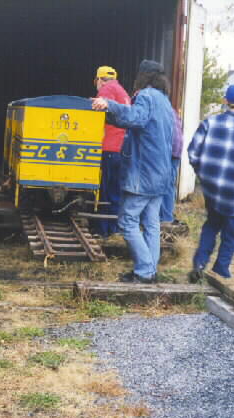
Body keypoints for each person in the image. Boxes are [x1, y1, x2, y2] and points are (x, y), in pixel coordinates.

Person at [91, 60, 175, 283]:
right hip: (161, 173)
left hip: (144, 172)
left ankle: (145, 270)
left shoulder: (146, 96)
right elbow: (138, 123)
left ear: (143, 76)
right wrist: (113, 112)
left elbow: (135, 118)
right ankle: (150, 270)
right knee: (151, 223)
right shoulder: (164, 100)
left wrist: (109, 105)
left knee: (127, 221)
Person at [188, 84, 234, 281]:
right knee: (231, 234)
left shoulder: (210, 123)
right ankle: (220, 270)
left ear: (225, 100)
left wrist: (203, 175)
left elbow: (193, 152)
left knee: (211, 225)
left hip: (212, 189)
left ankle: (200, 263)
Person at [92, 66, 131, 237]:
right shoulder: (122, 91)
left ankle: (103, 230)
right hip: (122, 148)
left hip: (109, 148)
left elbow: (97, 116)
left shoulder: (106, 90)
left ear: (99, 79)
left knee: (105, 191)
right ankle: (114, 228)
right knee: (116, 190)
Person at [160, 109, 184, 224]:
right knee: (170, 186)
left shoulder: (161, 110)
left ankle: (165, 218)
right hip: (176, 151)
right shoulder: (171, 111)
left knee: (165, 186)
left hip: (169, 151)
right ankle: (167, 216)